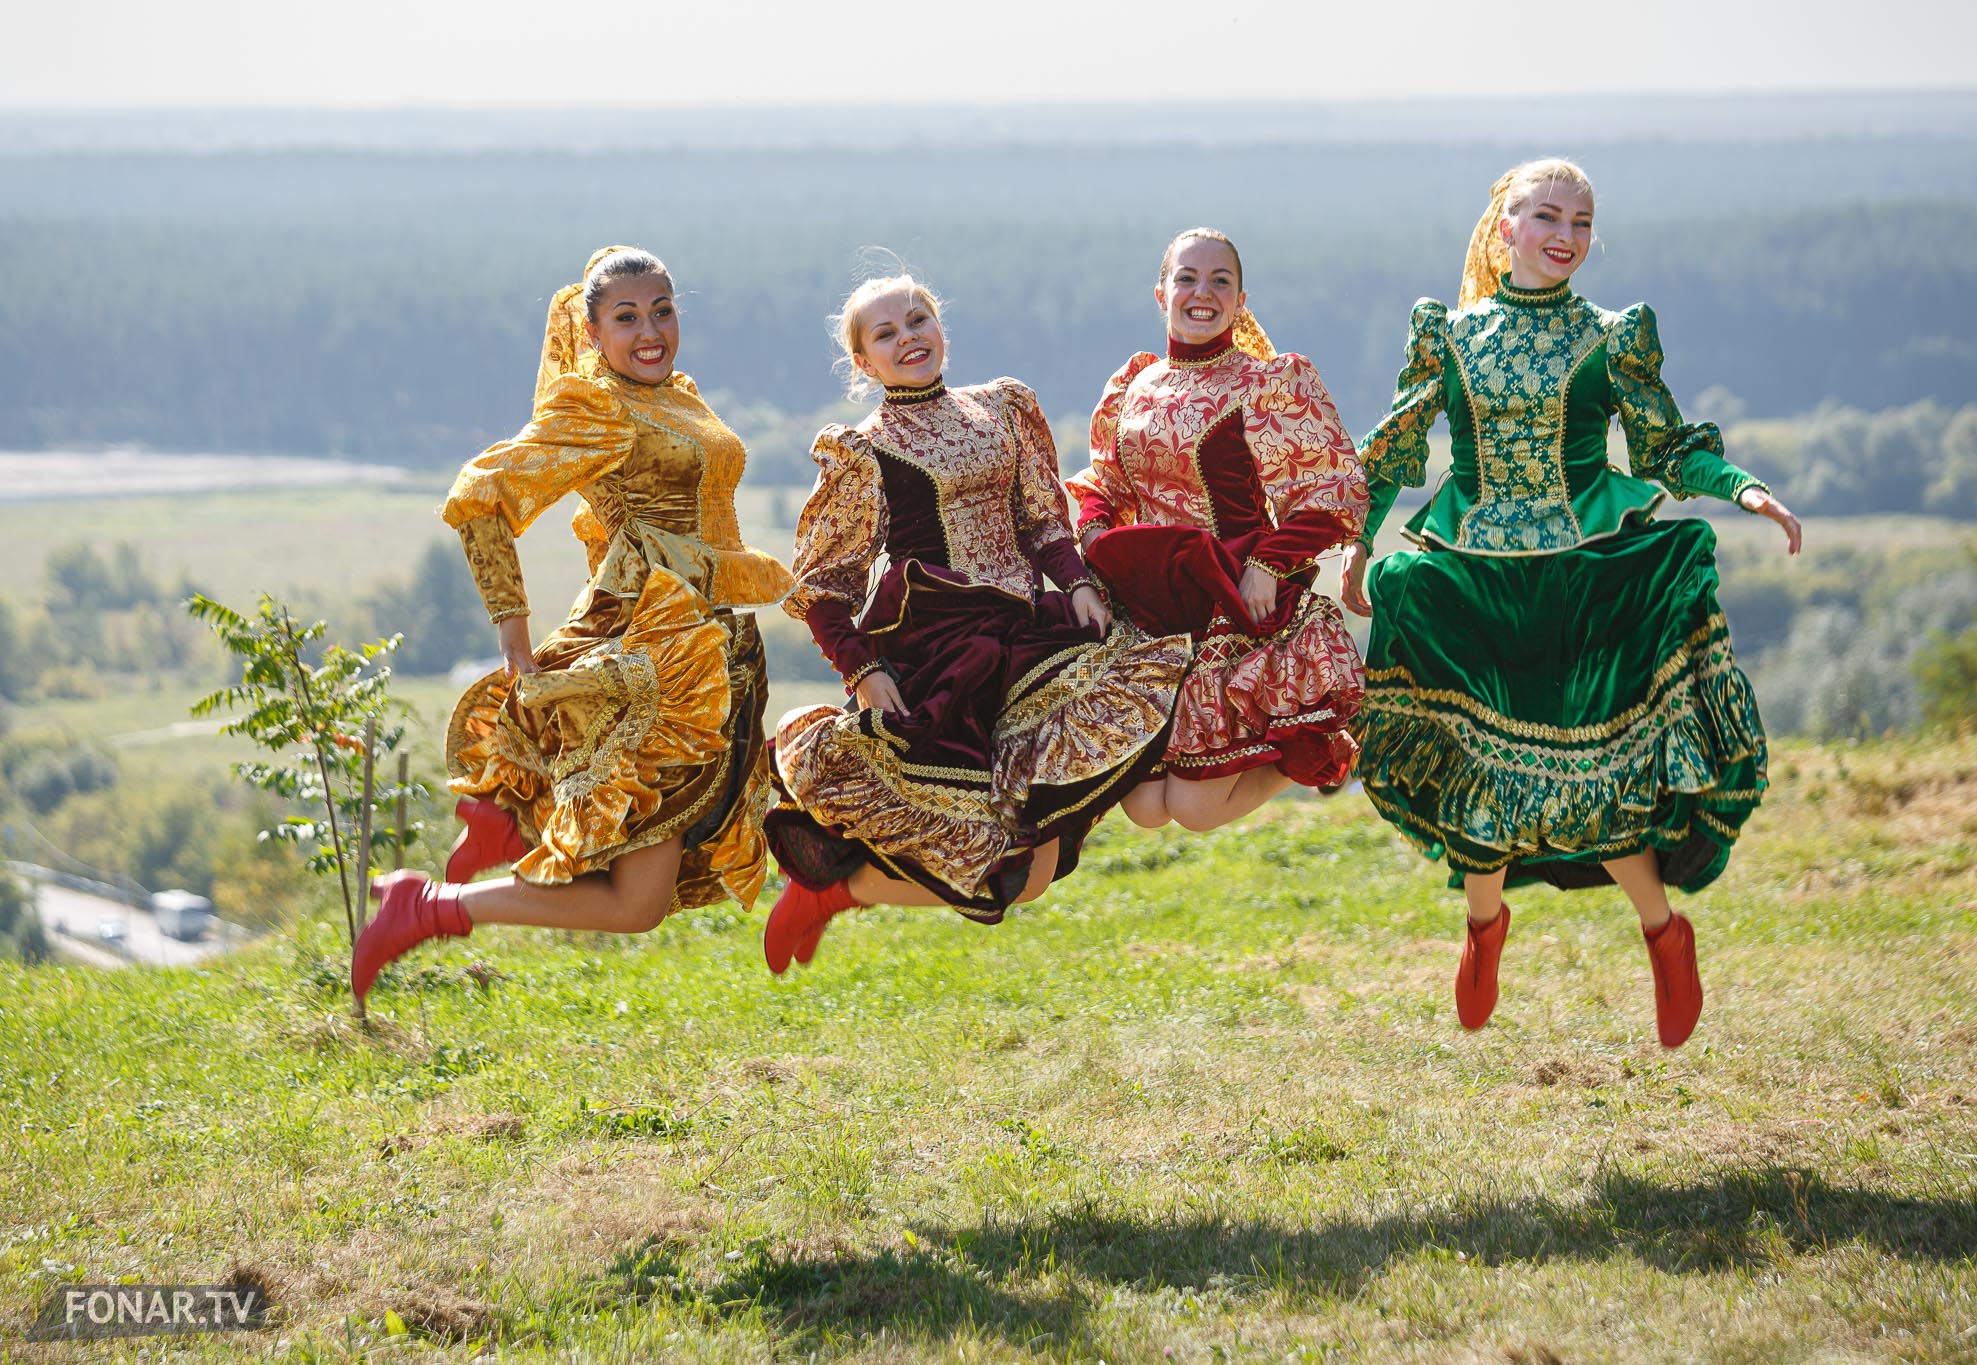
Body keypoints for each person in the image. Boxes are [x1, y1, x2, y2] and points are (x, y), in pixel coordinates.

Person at [1342, 159, 1803, 1048]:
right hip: (1475, 576)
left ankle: (1664, 934)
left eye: (1582, 222)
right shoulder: (1450, 334)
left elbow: (1667, 444)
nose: (1567, 235)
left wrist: (1743, 490)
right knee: (1484, 777)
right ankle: (1484, 931)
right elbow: (1394, 449)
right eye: (1547, 216)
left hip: (1588, 578)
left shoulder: (1612, 333)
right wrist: (1361, 542)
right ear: (1504, 228)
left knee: (1598, 774)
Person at [351, 246, 794, 1002]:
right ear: (591, 334)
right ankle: (426, 905)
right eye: (626, 318)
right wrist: (512, 633)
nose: (650, 330)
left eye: (662, 310)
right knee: (636, 905)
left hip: (711, 649)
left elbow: (700, 527)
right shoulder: (600, 409)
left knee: (646, 900)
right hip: (654, 666)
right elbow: (482, 494)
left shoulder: (674, 395)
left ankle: (500, 827)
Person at [761, 272, 1189, 971]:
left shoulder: (1004, 406)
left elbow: (1041, 517)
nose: (909, 338)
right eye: (886, 333)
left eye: (918, 319)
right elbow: (824, 587)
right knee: (1003, 872)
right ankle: (834, 891)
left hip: (1028, 628)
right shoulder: (861, 451)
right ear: (864, 363)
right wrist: (863, 671)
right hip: (944, 650)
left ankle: (840, 894)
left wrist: (1076, 580)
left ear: (941, 328)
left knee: (1033, 878)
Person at [1068, 227, 1367, 833]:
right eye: (1187, 278)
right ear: (1161, 294)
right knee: (1147, 810)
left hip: (1232, 599)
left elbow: (1333, 487)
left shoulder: (1264, 383)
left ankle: (1312, 743)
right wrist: (1097, 535)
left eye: (1219, 280)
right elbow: (1105, 482)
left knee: (1196, 811)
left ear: (1240, 299)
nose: (1202, 292)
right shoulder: (1134, 385)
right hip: (1151, 607)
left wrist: (1270, 563)